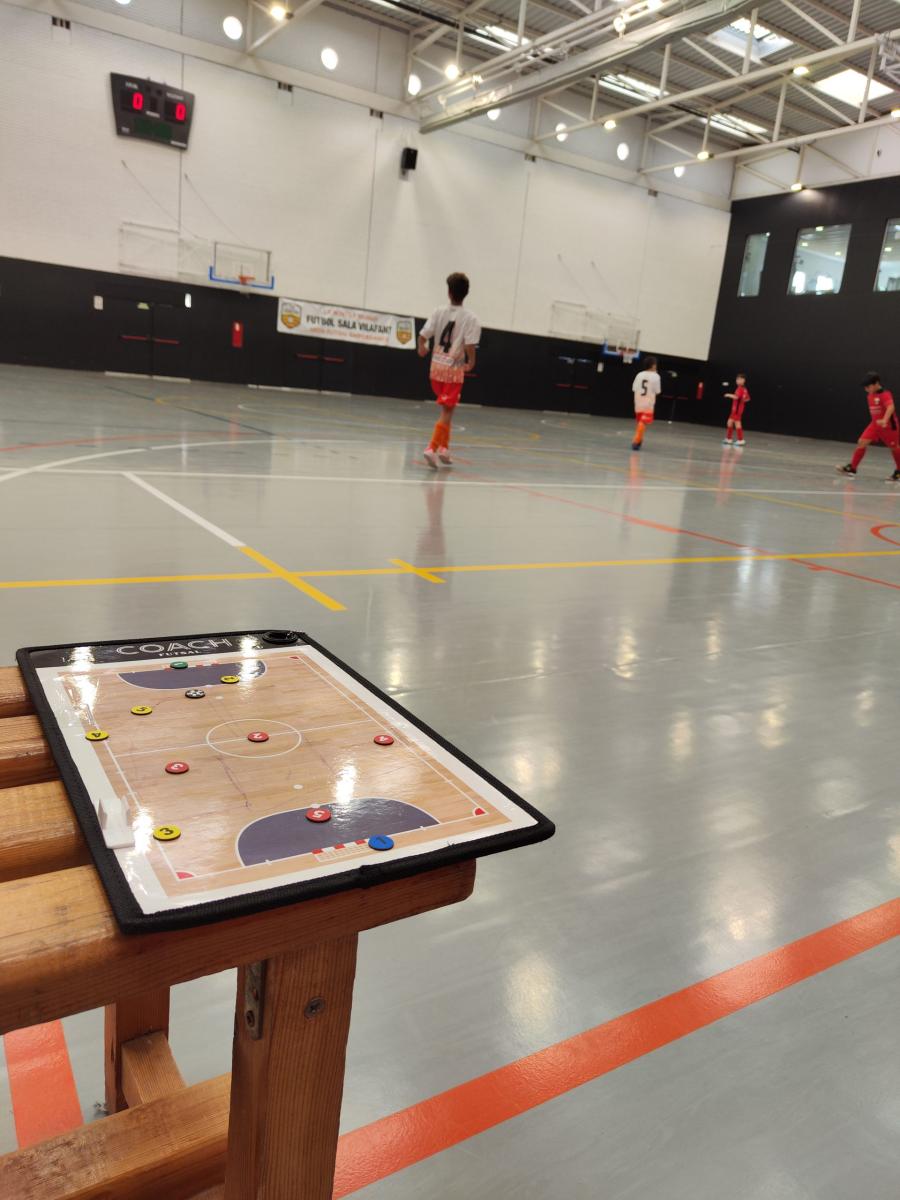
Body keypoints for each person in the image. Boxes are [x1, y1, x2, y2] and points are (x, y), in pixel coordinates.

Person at [418, 273, 481, 468]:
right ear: (466, 293)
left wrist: (421, 347)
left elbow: (423, 335)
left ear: (449, 292)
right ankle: (432, 448)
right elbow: (469, 344)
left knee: (449, 408)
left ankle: (444, 449)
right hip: (453, 370)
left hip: (436, 368)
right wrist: (471, 361)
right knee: (447, 410)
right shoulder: (470, 318)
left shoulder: (438, 311)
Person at [836, 372, 900, 481]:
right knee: (861, 442)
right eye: (865, 387)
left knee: (894, 447)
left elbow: (891, 407)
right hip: (875, 425)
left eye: (868, 386)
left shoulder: (885, 394)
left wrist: (885, 420)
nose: (866, 389)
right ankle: (852, 468)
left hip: (888, 426)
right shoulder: (870, 395)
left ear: (876, 383)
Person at [630, 356, 661, 451]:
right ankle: (636, 441)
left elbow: (634, 388)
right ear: (653, 365)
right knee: (643, 422)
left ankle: (639, 440)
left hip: (638, 402)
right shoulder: (656, 376)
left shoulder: (639, 374)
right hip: (648, 403)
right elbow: (657, 391)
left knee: (641, 422)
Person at [723, 372, 750, 447]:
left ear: (743, 380)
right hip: (736, 409)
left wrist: (728, 395)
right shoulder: (744, 389)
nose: (737, 381)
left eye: (740, 379)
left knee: (737, 423)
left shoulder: (740, 389)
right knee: (729, 422)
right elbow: (748, 399)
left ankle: (741, 440)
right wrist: (742, 401)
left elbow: (736, 397)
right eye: (737, 379)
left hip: (737, 410)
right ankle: (729, 439)